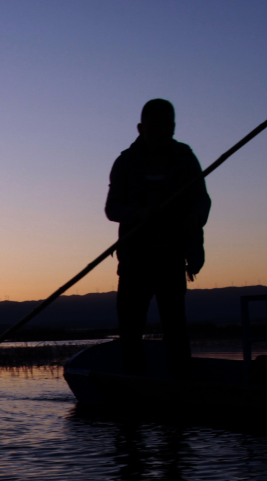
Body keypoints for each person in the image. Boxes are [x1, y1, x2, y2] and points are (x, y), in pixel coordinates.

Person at [105, 99, 211, 377]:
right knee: (130, 329)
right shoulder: (125, 162)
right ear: (141, 127)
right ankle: (133, 385)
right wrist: (140, 214)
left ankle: (180, 386)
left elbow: (201, 201)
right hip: (135, 259)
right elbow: (112, 209)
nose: (162, 130)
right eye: (155, 124)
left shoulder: (186, 159)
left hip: (172, 256)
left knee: (175, 328)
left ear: (174, 126)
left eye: (168, 124)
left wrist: (194, 218)